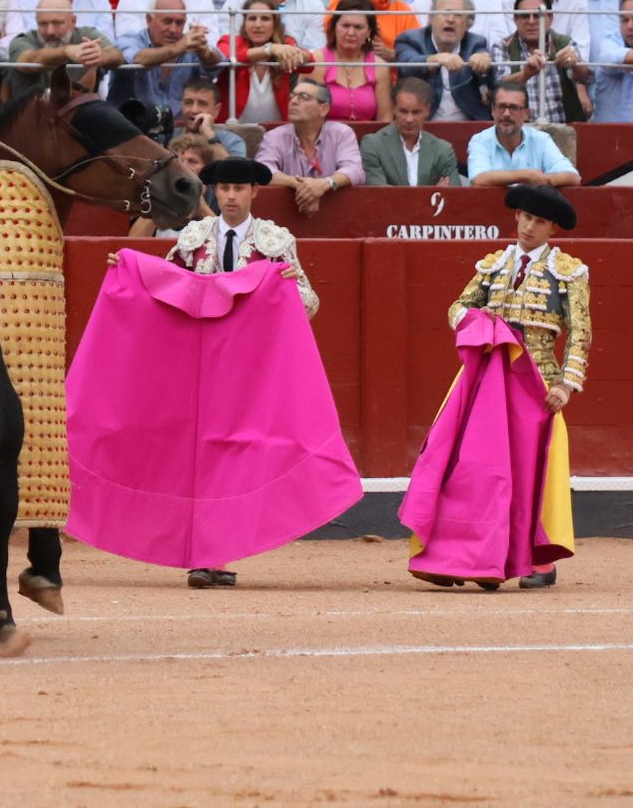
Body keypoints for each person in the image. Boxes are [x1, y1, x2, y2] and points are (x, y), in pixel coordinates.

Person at [406, 184, 590, 590]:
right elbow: (457, 308)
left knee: (528, 473)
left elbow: (580, 333)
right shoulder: (492, 265)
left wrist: (566, 384)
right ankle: (461, 555)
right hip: (487, 375)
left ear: (552, 229)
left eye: (539, 221)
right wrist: (478, 317)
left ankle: (532, 558)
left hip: (535, 381)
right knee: (471, 467)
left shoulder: (569, 273)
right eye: (525, 217)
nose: (528, 226)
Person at [152, 154, 321, 588]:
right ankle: (208, 553)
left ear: (253, 193)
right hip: (201, 367)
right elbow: (165, 290)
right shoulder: (191, 238)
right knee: (203, 457)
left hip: (251, 372)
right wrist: (131, 275)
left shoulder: (276, 241)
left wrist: (275, 293)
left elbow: (308, 301)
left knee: (235, 457)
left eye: (238, 189)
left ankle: (216, 553)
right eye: (223, 188)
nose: (229, 196)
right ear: (214, 192)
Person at [256, 80, 366, 213]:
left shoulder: (341, 133)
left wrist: (325, 184)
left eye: (304, 97)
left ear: (323, 109)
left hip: (337, 214)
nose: (294, 102)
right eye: (292, 96)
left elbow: (354, 170)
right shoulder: (275, 136)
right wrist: (301, 185)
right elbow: (261, 172)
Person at [496, 0, 594, 123]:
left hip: (562, 130)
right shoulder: (503, 46)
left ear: (550, 18)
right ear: (515, 20)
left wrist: (575, 63)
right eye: (525, 16)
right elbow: (499, 87)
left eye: (538, 16)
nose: (531, 21)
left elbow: (585, 77)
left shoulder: (564, 43)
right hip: (519, 132)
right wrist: (526, 74)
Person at [6, 0, 123, 103]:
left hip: (76, 116)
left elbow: (116, 55)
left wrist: (101, 56)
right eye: (43, 24)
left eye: (57, 23)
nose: (50, 31)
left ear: (73, 21)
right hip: (31, 117)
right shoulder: (22, 41)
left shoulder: (86, 35)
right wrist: (66, 51)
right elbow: (29, 60)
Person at [396, 0, 494, 120]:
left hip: (468, 126)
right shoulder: (410, 39)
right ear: (431, 19)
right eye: (445, 13)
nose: (450, 19)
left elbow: (490, 78)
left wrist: (484, 62)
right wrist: (434, 59)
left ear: (467, 25)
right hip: (423, 126)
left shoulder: (476, 42)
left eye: (458, 15)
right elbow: (406, 65)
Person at [215, 0, 308, 123]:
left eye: (265, 19)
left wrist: (297, 54)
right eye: (252, 18)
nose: (258, 25)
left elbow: (311, 64)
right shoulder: (229, 42)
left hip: (276, 133)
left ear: (275, 24)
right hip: (234, 131)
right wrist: (269, 49)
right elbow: (228, 58)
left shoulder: (285, 43)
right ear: (244, 23)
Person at [466, 80, 582, 185]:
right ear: (492, 110)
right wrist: (527, 176)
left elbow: (573, 177)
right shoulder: (480, 140)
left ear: (526, 113)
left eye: (514, 108)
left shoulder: (541, 140)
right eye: (501, 106)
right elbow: (479, 179)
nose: (506, 114)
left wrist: (545, 180)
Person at [360, 78, 463, 185]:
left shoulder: (443, 149)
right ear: (394, 109)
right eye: (403, 111)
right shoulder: (373, 145)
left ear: (427, 110)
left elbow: (453, 194)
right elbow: (380, 194)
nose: (409, 119)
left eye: (416, 112)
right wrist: (432, 195)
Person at [310, 0, 393, 121]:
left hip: (367, 139)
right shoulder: (317, 61)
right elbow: (309, 116)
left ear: (369, 32)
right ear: (334, 27)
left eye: (358, 27)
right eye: (345, 25)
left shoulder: (380, 67)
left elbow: (385, 119)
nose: (350, 33)